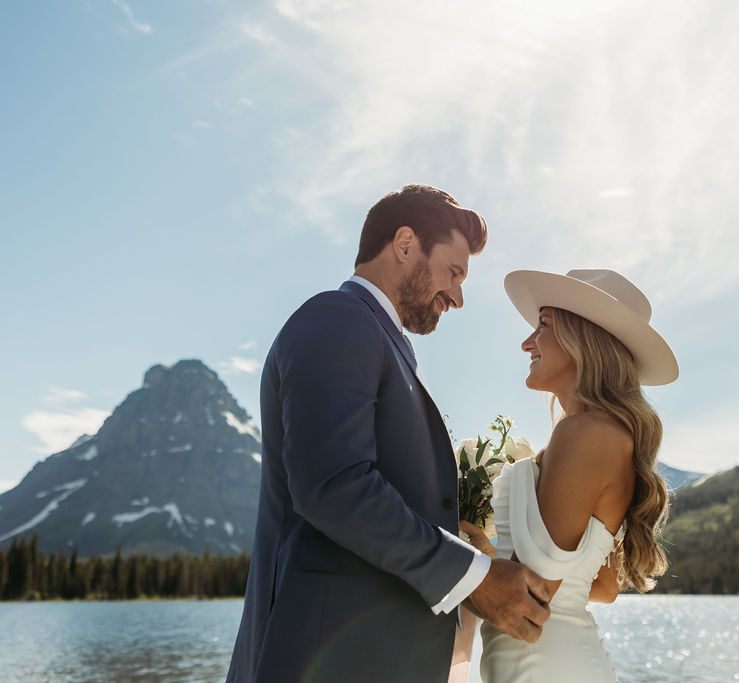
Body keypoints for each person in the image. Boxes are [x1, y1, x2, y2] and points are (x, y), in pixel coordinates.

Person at [226, 185, 551, 683]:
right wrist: (473, 578)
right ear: (404, 245)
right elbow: (334, 485)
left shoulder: (374, 336)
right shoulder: (338, 320)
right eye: (454, 272)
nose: (458, 296)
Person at [461, 268, 678, 682]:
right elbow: (601, 586)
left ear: (583, 338)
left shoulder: (584, 434)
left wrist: (446, 559)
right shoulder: (601, 434)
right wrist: (492, 556)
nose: (527, 342)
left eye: (543, 325)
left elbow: (529, 601)